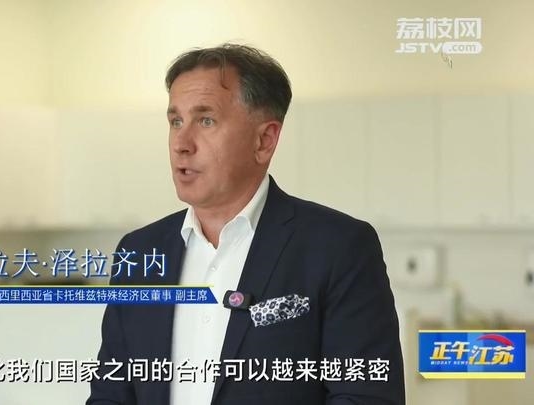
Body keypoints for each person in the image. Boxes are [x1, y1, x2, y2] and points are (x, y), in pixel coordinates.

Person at [87, 43, 404, 405]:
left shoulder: (338, 247)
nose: (181, 144)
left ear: (264, 140)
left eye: (206, 120)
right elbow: (111, 395)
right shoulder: (140, 252)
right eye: (176, 121)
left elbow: (366, 396)